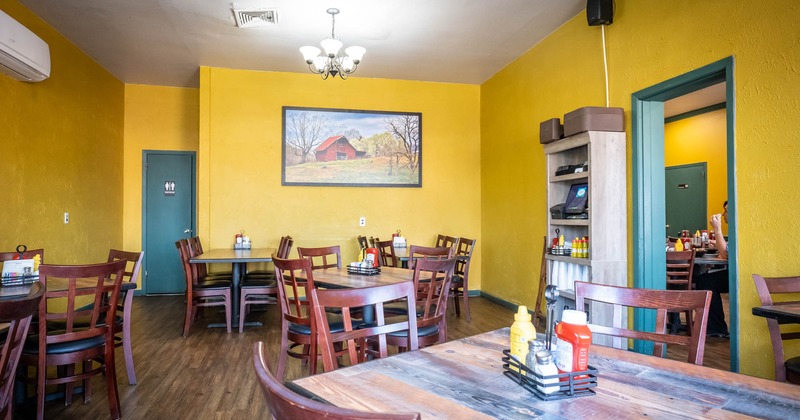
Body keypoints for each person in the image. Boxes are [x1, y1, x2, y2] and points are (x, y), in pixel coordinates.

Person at [694, 200, 729, 338]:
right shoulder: (737, 227)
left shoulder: (739, 227)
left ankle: (716, 327)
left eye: (726, 210)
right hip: (737, 272)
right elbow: (726, 250)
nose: (723, 214)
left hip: (740, 275)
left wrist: (717, 230)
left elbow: (726, 253)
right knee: (705, 280)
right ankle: (715, 326)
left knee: (706, 281)